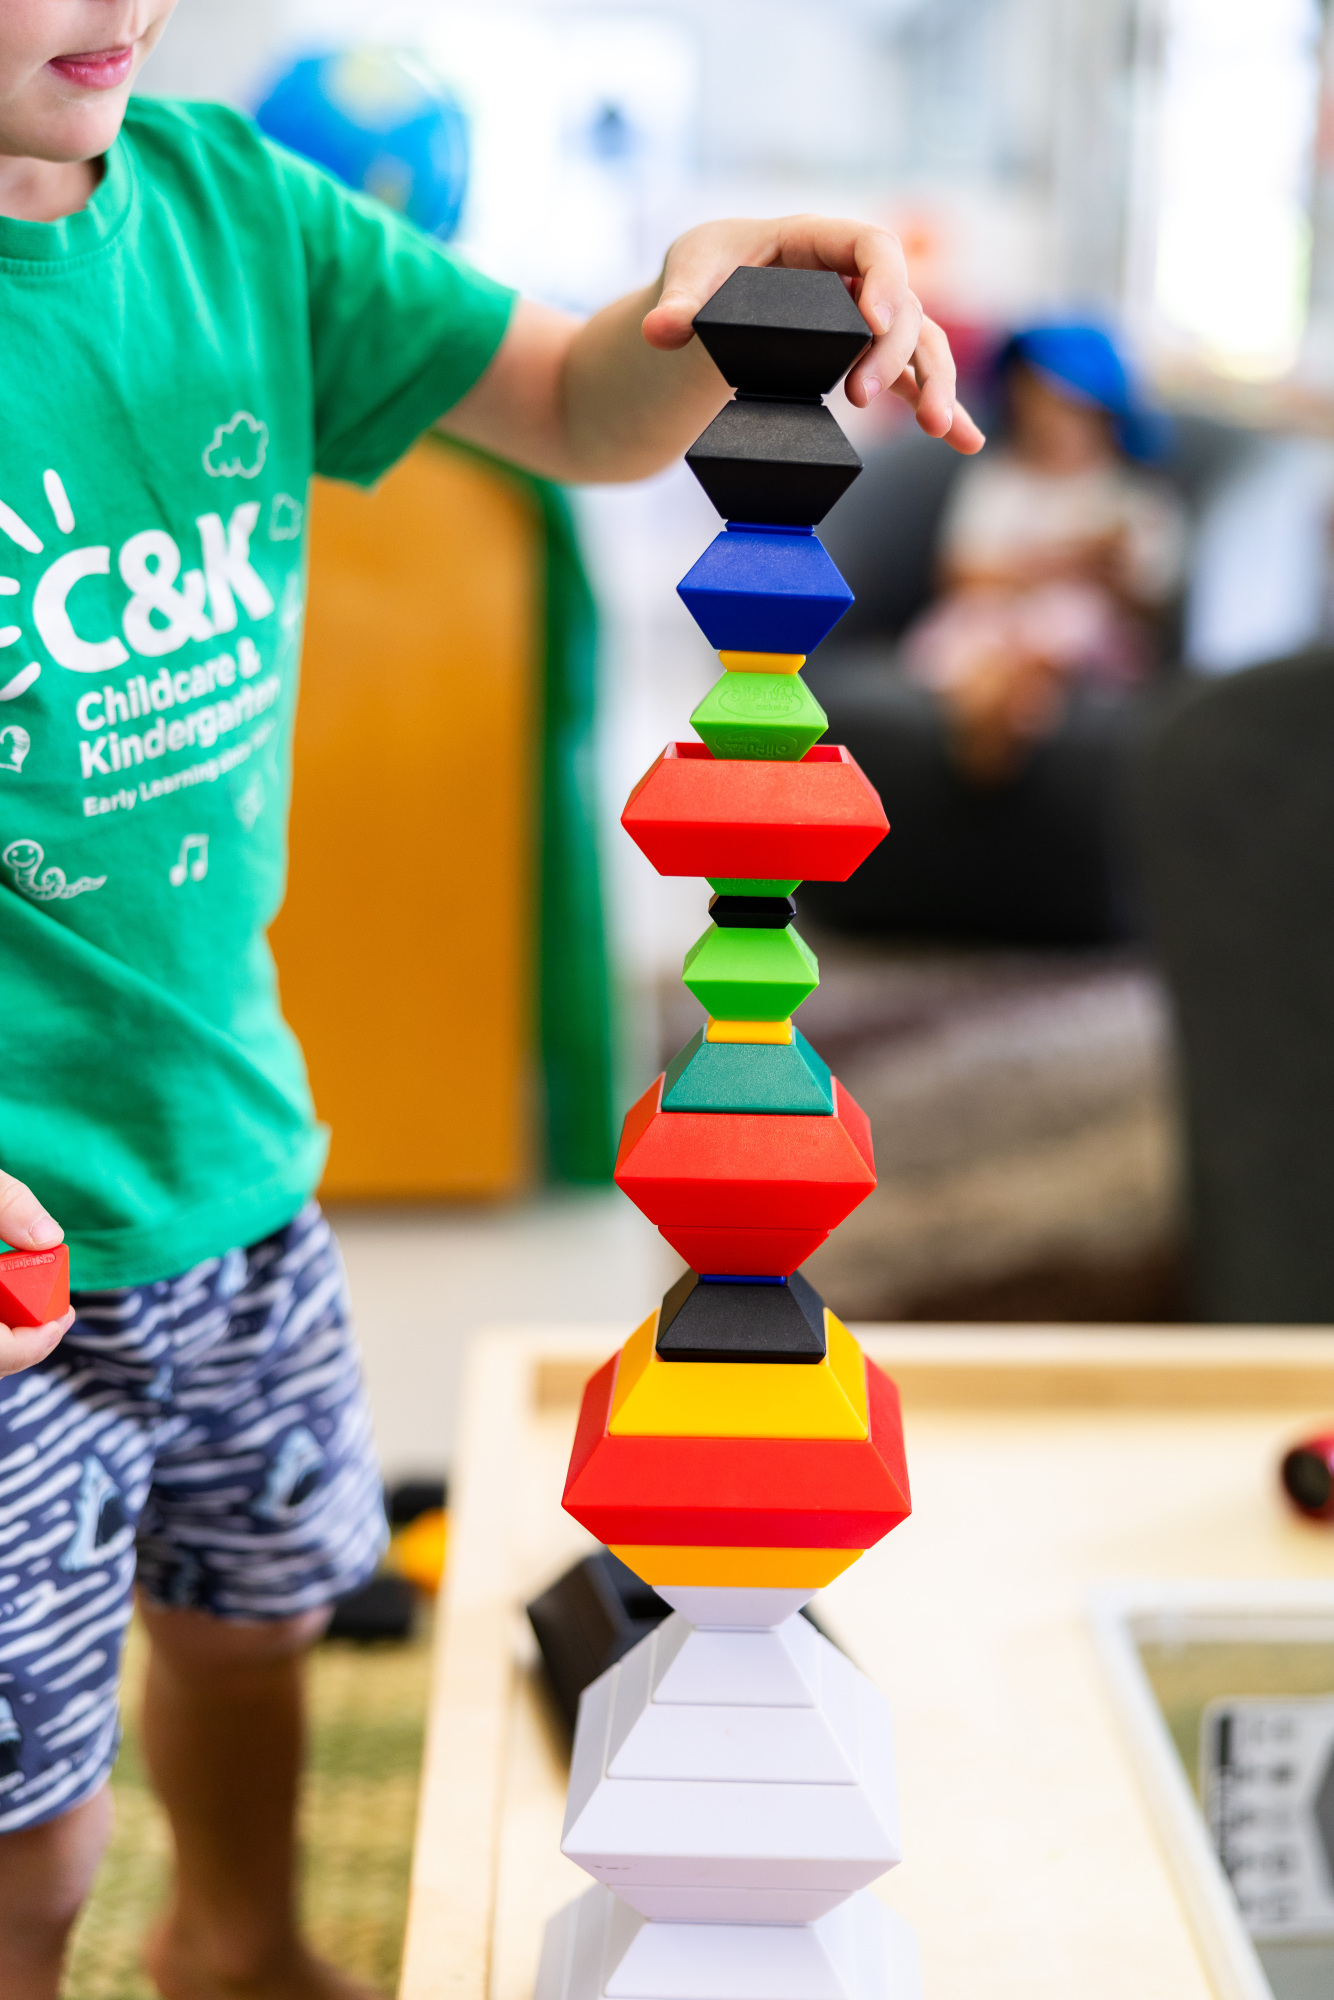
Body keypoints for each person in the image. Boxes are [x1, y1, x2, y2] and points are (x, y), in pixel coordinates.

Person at [0, 8, 982, 1999]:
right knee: (35, 1816)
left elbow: (569, 400)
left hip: (232, 1155)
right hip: (19, 1248)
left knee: (261, 1616)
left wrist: (704, 307)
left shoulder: (239, 210)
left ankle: (237, 1942)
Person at [902, 323, 1185, 782]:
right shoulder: (998, 480)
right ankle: (1002, 700)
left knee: (1069, 618)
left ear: (1104, 412)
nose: (1045, 417)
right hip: (989, 625)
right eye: (1030, 398)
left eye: (1064, 404)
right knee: (984, 634)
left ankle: (1007, 705)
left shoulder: (1134, 500)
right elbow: (960, 577)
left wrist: (1111, 573)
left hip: (1085, 637)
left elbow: (1154, 605)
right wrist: (1069, 561)